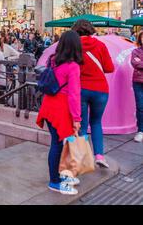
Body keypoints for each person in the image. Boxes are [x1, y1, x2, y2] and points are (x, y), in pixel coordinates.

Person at [36, 30, 83, 195]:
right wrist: (77, 118)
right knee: (57, 145)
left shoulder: (54, 61)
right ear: (76, 47)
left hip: (48, 107)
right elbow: (74, 95)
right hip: (60, 110)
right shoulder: (73, 67)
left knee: (56, 143)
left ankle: (57, 177)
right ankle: (54, 181)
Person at [72, 19, 114, 168]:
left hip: (80, 90)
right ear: (91, 30)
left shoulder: (73, 47)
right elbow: (109, 68)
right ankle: (99, 156)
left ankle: (83, 158)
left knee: (82, 126)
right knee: (96, 123)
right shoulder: (101, 45)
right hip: (101, 90)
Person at [131, 31, 143, 143]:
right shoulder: (135, 51)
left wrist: (141, 62)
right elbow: (135, 63)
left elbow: (139, 64)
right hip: (138, 82)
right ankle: (141, 131)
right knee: (140, 107)